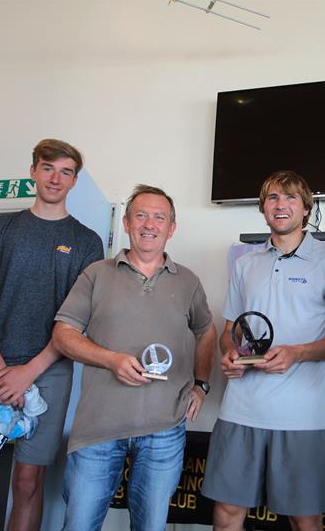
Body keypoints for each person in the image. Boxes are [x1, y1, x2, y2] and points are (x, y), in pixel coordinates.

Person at [0, 139, 104, 531]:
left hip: (50, 372)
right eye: (48, 168)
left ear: (75, 180)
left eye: (65, 171)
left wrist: (29, 371)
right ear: (33, 171)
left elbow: (78, 320)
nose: (55, 178)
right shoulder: (0, 228)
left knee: (28, 483)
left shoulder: (87, 241)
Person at [52, 184, 217, 531]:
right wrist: (111, 359)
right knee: (79, 525)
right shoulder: (95, 274)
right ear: (126, 223)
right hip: (98, 430)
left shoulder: (188, 282)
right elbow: (63, 335)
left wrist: (201, 384)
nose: (149, 224)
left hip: (164, 430)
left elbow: (207, 332)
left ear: (171, 228)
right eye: (141, 215)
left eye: (160, 217)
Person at [201, 171, 325, 531]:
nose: (281, 205)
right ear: (263, 208)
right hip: (241, 411)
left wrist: (298, 352)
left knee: (304, 520)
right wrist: (230, 354)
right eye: (272, 198)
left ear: (306, 207)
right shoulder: (245, 264)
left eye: (291, 197)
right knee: (227, 514)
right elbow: (230, 331)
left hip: (302, 416)